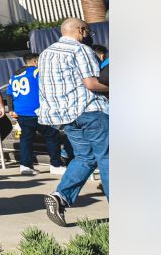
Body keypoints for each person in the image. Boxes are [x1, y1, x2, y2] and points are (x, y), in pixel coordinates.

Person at [40, 19, 109, 227]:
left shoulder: (45, 53)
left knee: (84, 157)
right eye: (88, 31)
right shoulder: (81, 50)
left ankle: (60, 197)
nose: (89, 35)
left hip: (65, 117)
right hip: (90, 111)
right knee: (108, 156)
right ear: (81, 30)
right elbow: (91, 83)